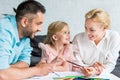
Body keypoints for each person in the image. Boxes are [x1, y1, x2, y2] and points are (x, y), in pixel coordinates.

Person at [0, 0, 53, 80]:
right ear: (25, 22)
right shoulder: (3, 30)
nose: (40, 29)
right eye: (38, 24)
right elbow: (2, 75)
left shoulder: (25, 36)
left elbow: (25, 63)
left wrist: (8, 70)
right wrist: (37, 70)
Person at [72, 8, 120, 77]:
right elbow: (76, 63)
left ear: (104, 27)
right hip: (83, 74)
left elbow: (110, 64)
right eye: (85, 28)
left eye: (92, 30)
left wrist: (97, 71)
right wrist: (89, 69)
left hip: (108, 72)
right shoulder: (78, 39)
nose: (87, 32)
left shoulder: (114, 37)